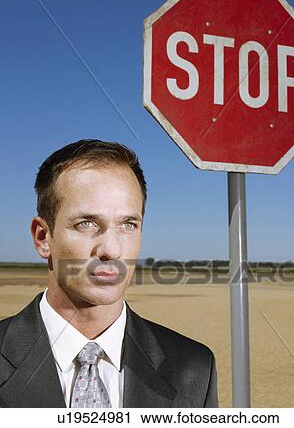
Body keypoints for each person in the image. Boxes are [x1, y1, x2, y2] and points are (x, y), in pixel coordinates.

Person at [0, 139, 218, 408]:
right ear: (43, 238)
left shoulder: (194, 368)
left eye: (128, 224)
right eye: (87, 223)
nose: (112, 250)